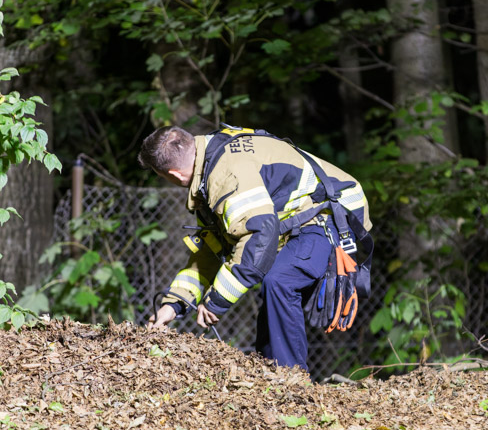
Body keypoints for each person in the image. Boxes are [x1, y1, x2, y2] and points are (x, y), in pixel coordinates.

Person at [139, 124, 371, 371]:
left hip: (331, 215)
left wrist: (217, 300)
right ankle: (269, 372)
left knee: (280, 282)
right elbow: (210, 253)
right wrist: (174, 304)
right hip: (295, 223)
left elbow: (259, 237)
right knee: (273, 293)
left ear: (174, 175)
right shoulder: (209, 165)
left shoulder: (226, 174)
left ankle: (291, 379)